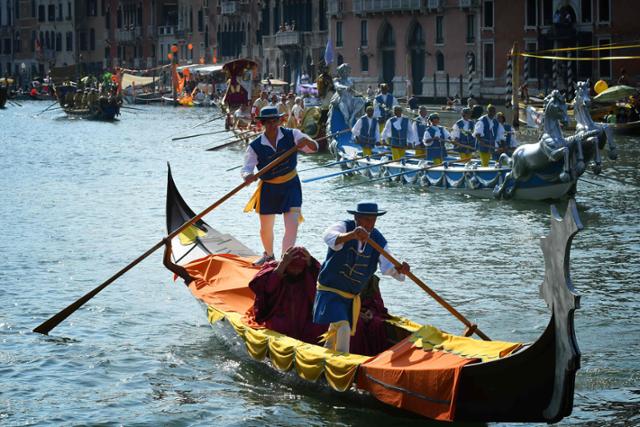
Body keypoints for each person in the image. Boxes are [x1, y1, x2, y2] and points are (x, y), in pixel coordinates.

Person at [312, 201, 410, 353]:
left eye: (373, 220)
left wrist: (401, 270)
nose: (370, 224)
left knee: (336, 328)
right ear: (357, 218)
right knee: (343, 326)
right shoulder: (344, 226)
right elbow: (328, 236)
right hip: (330, 290)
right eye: (367, 219)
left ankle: (327, 356)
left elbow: (388, 266)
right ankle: (342, 362)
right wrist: (351, 235)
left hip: (350, 295)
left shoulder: (377, 239)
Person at [242, 106, 319, 266]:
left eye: (274, 121)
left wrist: (308, 142)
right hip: (269, 188)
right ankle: (269, 255)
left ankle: (285, 260)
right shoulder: (255, 146)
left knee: (292, 226)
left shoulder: (293, 135)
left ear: (279, 121)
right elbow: (247, 168)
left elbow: (314, 149)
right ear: (262, 124)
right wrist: (247, 176)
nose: (272, 125)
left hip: (291, 185)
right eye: (267, 122)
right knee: (265, 228)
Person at [248, 246, 327, 343]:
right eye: (292, 267)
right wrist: (282, 265)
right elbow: (266, 288)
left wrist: (311, 263)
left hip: (304, 316)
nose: (296, 271)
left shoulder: (310, 270)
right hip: (279, 314)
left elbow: (323, 285)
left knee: (320, 327)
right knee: (280, 325)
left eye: (299, 268)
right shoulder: (273, 268)